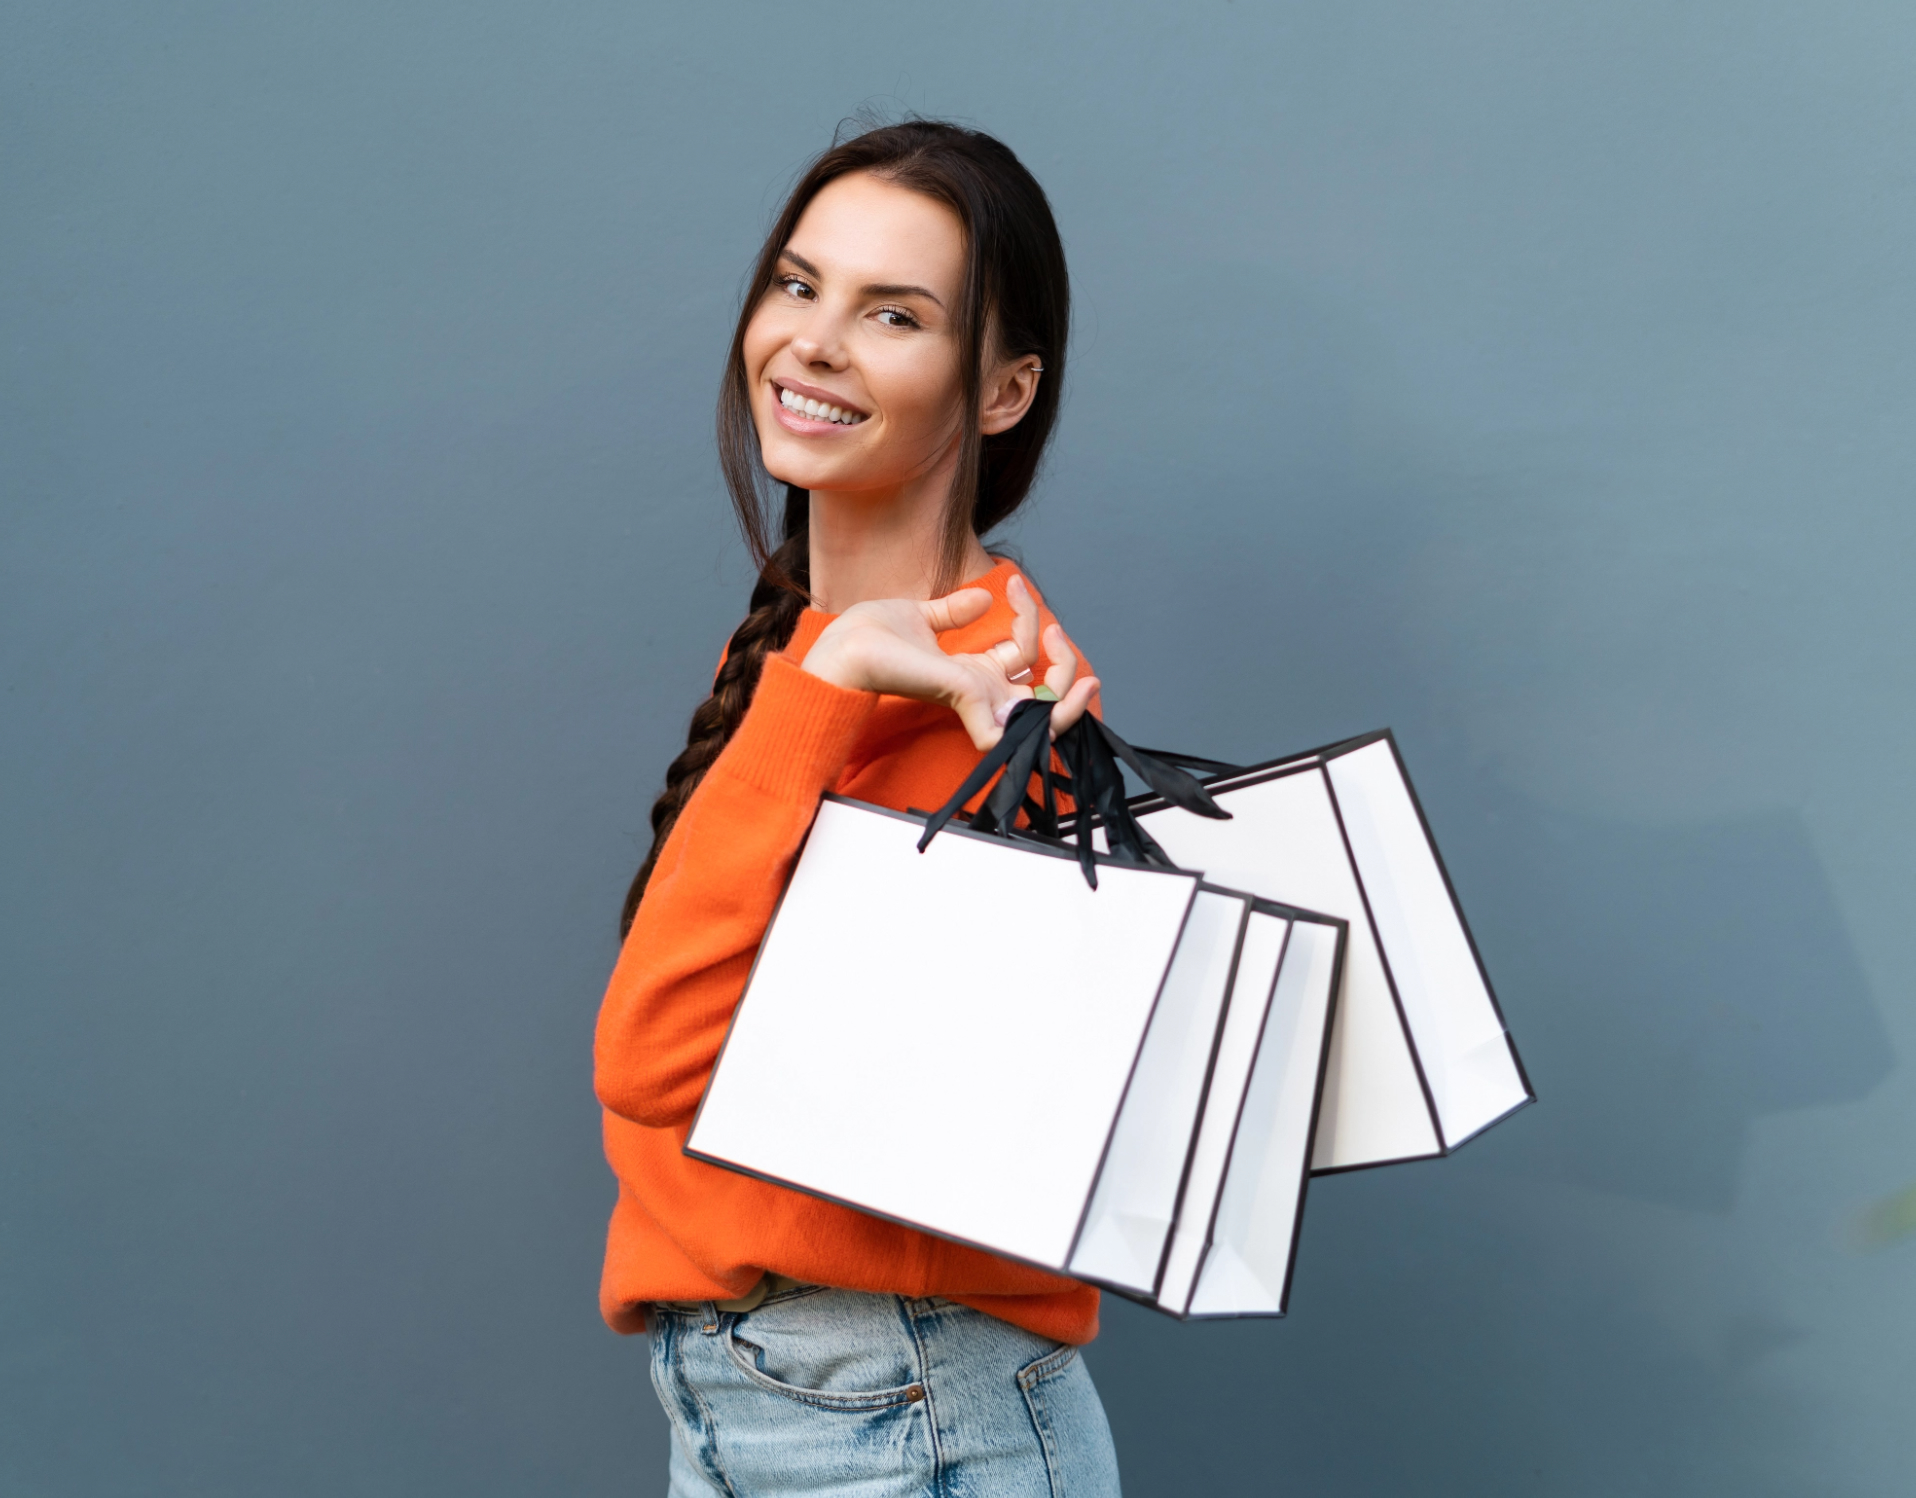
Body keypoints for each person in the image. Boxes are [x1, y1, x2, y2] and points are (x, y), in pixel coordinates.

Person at [594, 120, 1120, 1496]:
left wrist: (823, 685)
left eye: (894, 313)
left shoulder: (1000, 711)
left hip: (905, 1408)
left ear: (1000, 390)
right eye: (797, 284)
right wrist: (819, 675)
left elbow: (649, 1060)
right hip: (775, 1392)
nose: (815, 340)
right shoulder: (807, 654)